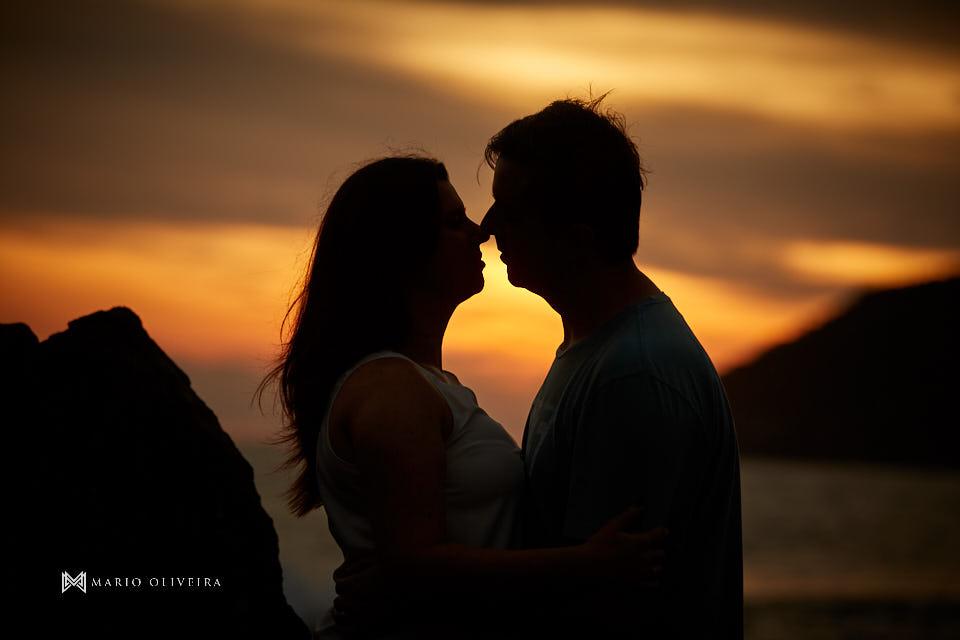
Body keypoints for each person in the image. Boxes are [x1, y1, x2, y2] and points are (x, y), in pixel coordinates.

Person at [260, 156, 668, 638]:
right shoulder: (393, 391)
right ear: (404, 251)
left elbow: (412, 566)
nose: (481, 233)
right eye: (455, 222)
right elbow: (416, 567)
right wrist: (585, 564)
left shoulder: (428, 383)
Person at [479, 96, 743, 637]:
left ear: (578, 241)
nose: (486, 227)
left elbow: (600, 606)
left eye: (510, 211)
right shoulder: (597, 345)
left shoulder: (634, 374)